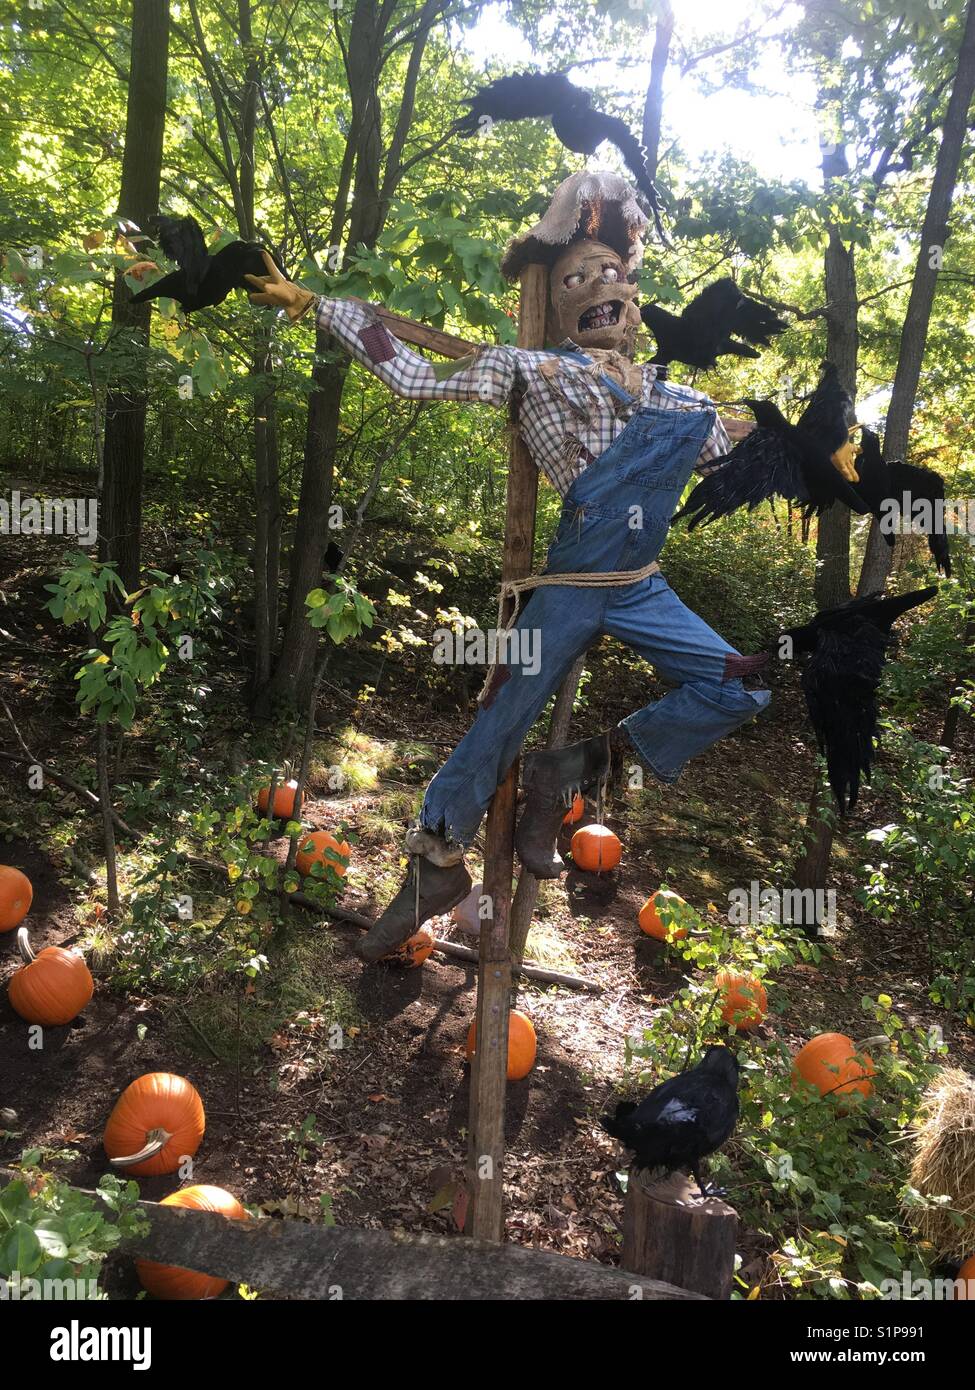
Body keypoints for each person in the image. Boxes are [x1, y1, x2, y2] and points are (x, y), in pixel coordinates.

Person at [246, 171, 770, 962]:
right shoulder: (534, 370)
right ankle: (433, 865)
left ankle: (570, 768)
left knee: (743, 684)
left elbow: (735, 458)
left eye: (614, 274)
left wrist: (815, 448)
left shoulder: (679, 401)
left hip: (641, 586)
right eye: (577, 277)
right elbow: (418, 372)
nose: (602, 286)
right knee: (500, 715)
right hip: (568, 585)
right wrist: (321, 307)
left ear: (635, 297)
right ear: (558, 304)